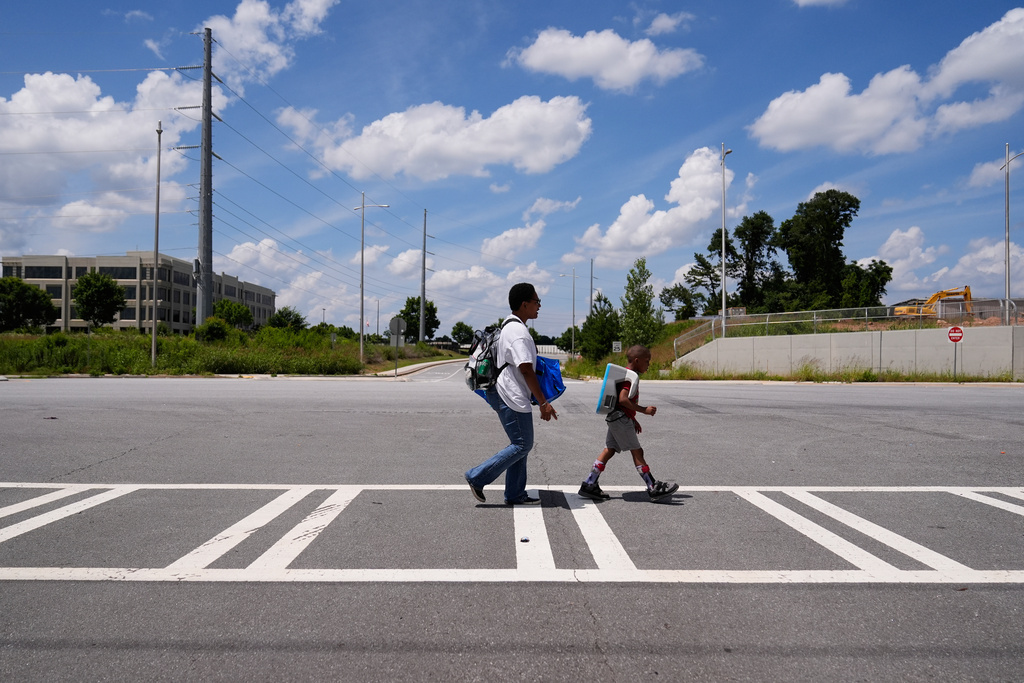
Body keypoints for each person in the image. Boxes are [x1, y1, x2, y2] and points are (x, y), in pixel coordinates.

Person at [465, 283, 558, 505]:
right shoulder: (518, 332)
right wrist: (544, 402)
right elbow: (526, 368)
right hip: (512, 396)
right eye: (537, 301)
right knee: (522, 444)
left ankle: (515, 493)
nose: (539, 306)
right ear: (524, 304)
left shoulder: (509, 326)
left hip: (507, 393)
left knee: (520, 444)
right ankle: (477, 476)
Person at [578, 345, 678, 502]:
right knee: (637, 451)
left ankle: (589, 483)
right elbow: (623, 399)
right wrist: (643, 410)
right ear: (637, 361)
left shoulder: (625, 374)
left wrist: (633, 419)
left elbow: (621, 403)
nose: (649, 364)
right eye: (647, 361)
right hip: (620, 419)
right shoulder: (629, 377)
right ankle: (652, 487)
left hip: (616, 418)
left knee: (609, 450)